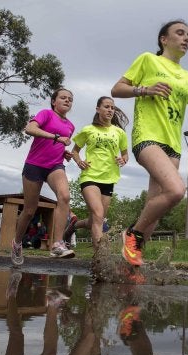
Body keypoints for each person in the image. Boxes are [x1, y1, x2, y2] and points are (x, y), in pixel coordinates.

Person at [111, 19, 188, 266]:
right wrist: (145, 90)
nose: (186, 38)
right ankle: (132, 235)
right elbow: (117, 89)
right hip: (147, 136)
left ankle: (128, 265)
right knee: (176, 191)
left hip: (173, 146)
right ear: (164, 40)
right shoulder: (148, 60)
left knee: (153, 208)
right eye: (180, 33)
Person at [10, 87, 76, 266]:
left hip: (55, 166)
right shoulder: (46, 114)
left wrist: (64, 153)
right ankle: (16, 243)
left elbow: (58, 146)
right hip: (34, 165)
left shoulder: (70, 126)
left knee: (64, 196)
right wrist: (56, 137)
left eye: (70, 99)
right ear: (54, 101)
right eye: (63, 97)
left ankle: (57, 244)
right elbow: (29, 129)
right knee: (30, 210)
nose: (67, 100)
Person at [66, 96, 129, 251]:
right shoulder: (88, 130)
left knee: (96, 219)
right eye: (106, 107)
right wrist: (79, 161)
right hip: (90, 176)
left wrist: (123, 160)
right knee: (99, 215)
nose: (110, 110)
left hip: (109, 179)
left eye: (112, 108)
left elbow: (125, 154)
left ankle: (73, 225)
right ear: (98, 109)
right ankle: (99, 257)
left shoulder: (119, 132)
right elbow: (75, 151)